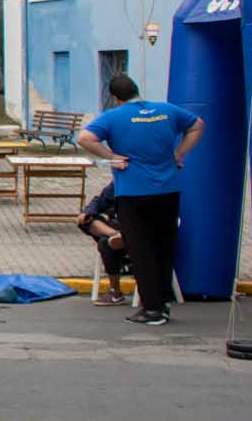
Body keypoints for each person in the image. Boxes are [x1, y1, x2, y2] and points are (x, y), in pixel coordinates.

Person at [77, 74, 204, 327]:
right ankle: (164, 302)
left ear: (116, 98)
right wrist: (179, 153)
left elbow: (85, 138)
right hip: (168, 190)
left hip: (133, 192)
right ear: (136, 90)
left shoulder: (113, 117)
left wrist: (112, 156)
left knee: (141, 248)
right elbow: (198, 124)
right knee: (164, 246)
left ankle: (152, 309)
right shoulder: (167, 110)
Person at [77, 179, 133, 306]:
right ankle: (116, 236)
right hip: (117, 228)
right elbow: (99, 201)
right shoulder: (118, 182)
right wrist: (88, 212)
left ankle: (115, 292)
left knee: (105, 243)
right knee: (86, 221)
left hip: (138, 231)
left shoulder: (145, 184)